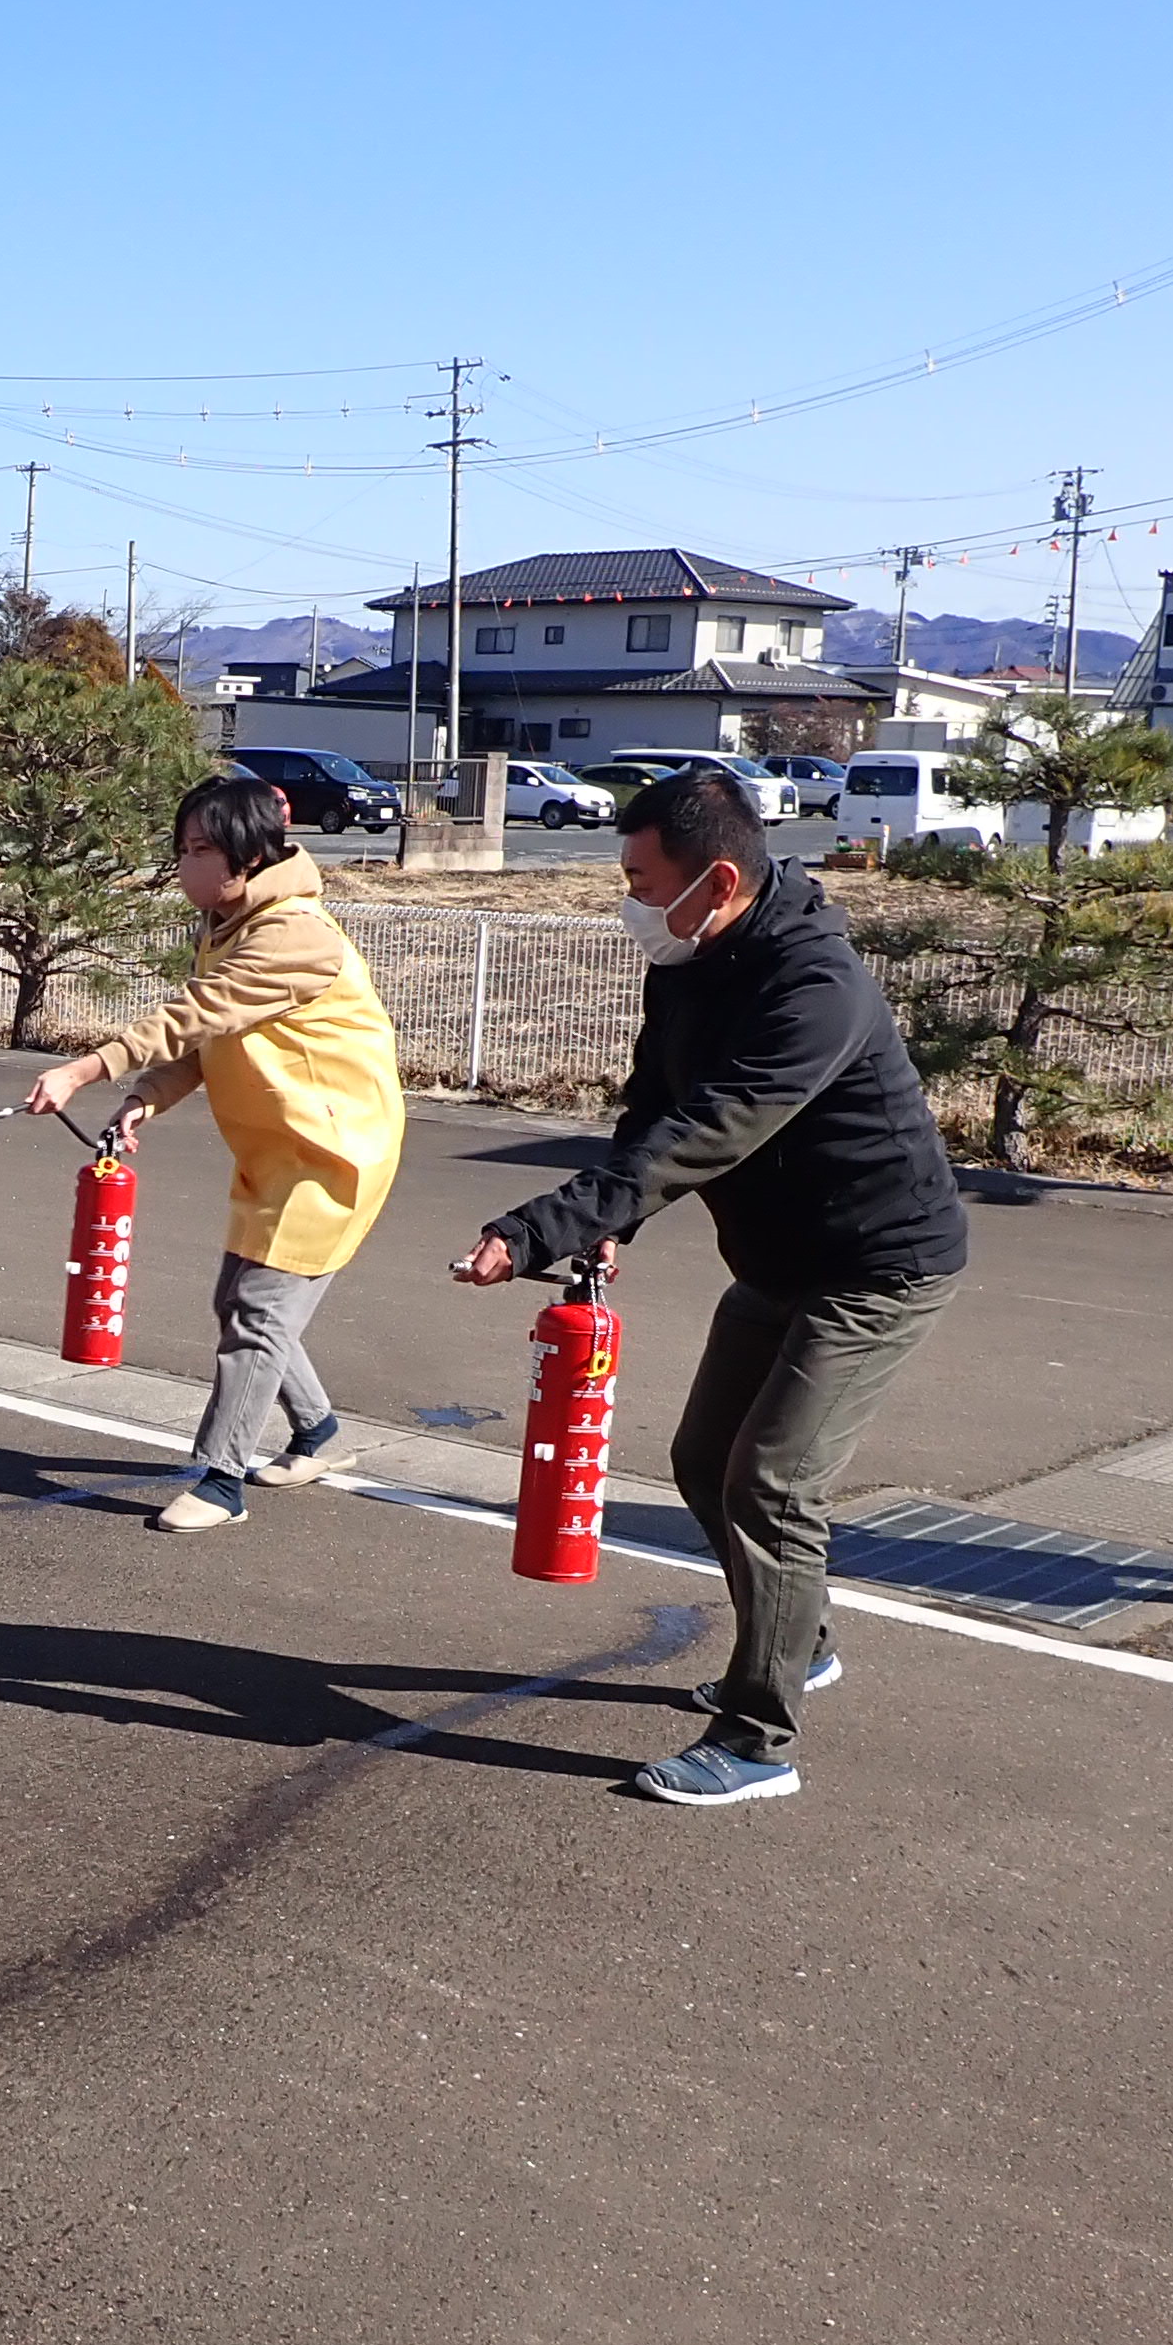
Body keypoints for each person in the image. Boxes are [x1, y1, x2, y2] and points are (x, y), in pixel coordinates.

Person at [453, 767, 966, 1807]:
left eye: (642, 879)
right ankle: (799, 1637)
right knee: (700, 1462)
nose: (629, 901)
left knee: (771, 1484)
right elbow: (653, 1111)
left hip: (875, 1267)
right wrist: (606, 1233)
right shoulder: (690, 960)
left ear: (717, 878)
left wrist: (532, 1229)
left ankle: (756, 1736)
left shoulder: (813, 988)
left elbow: (706, 1135)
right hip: (776, 1261)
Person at [22, 773, 407, 1533]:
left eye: (202, 849)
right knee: (238, 1302)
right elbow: (206, 1042)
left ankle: (222, 1479)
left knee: (258, 1313)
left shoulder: (294, 934)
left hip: (335, 1152)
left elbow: (194, 1014)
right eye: (184, 848)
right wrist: (142, 1099)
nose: (186, 865)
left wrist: (82, 1067)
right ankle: (319, 1433)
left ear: (250, 855)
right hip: (278, 1148)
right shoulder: (228, 925)